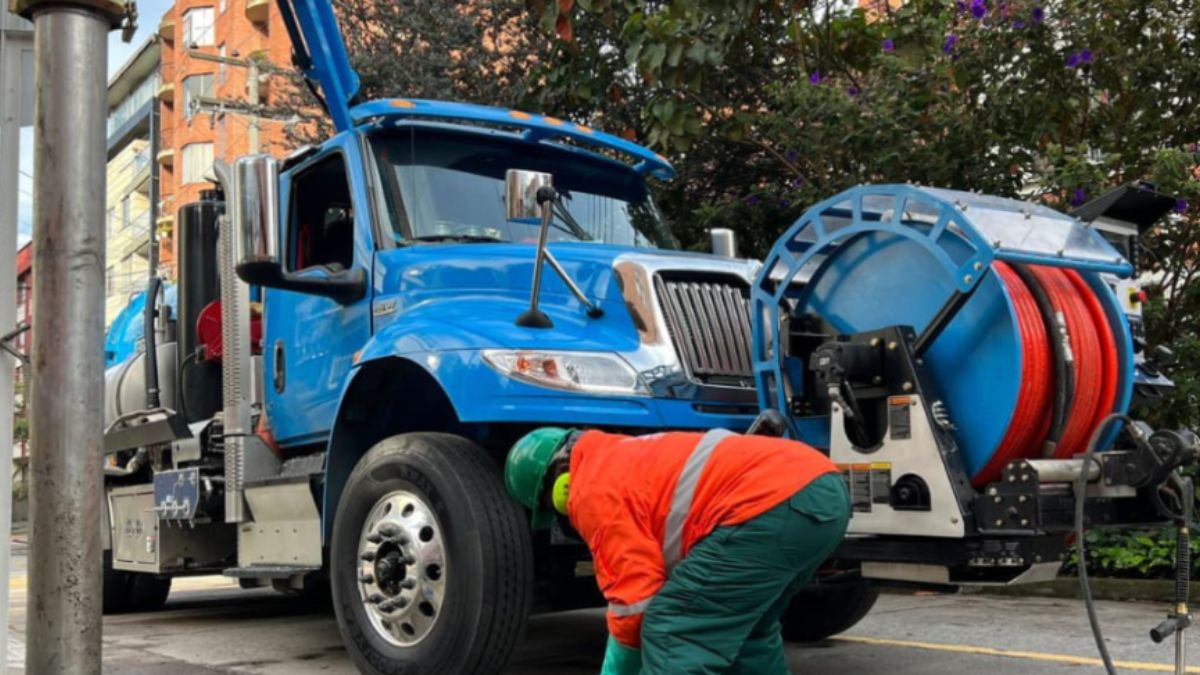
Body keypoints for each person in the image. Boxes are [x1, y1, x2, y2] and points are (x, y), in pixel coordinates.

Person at [504, 426, 850, 675]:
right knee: (750, 631)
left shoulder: (590, 487)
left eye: (555, 506)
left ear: (561, 484)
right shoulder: (621, 454)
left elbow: (634, 605)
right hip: (822, 491)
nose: (565, 514)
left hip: (771, 503)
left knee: (675, 628)